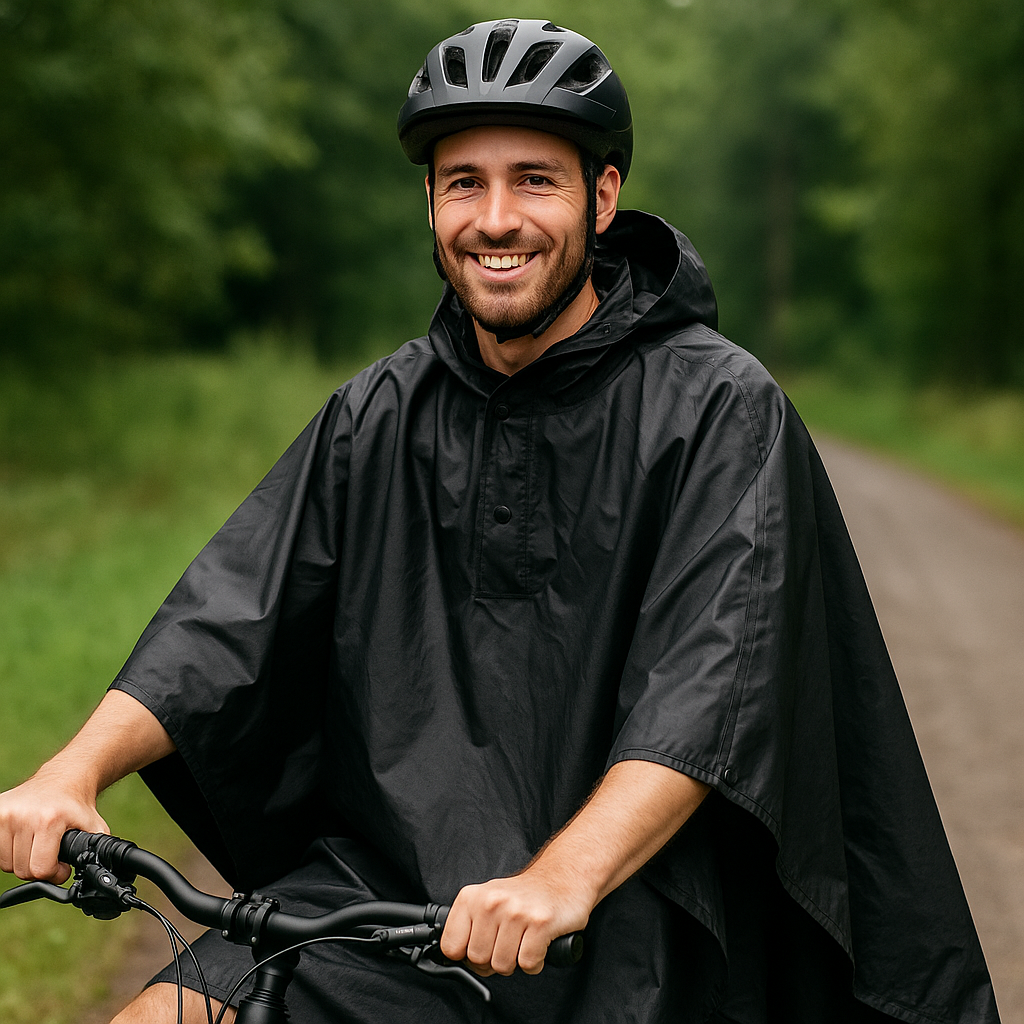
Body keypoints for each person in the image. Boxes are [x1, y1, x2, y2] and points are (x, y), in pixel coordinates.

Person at [0, 18, 1000, 1024]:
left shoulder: (720, 411)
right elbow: (228, 614)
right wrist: (72, 771)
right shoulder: (378, 412)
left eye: (534, 180)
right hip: (378, 910)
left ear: (601, 197)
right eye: (463, 183)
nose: (496, 218)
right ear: (431, 203)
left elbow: (708, 691)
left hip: (630, 924)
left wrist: (563, 876)